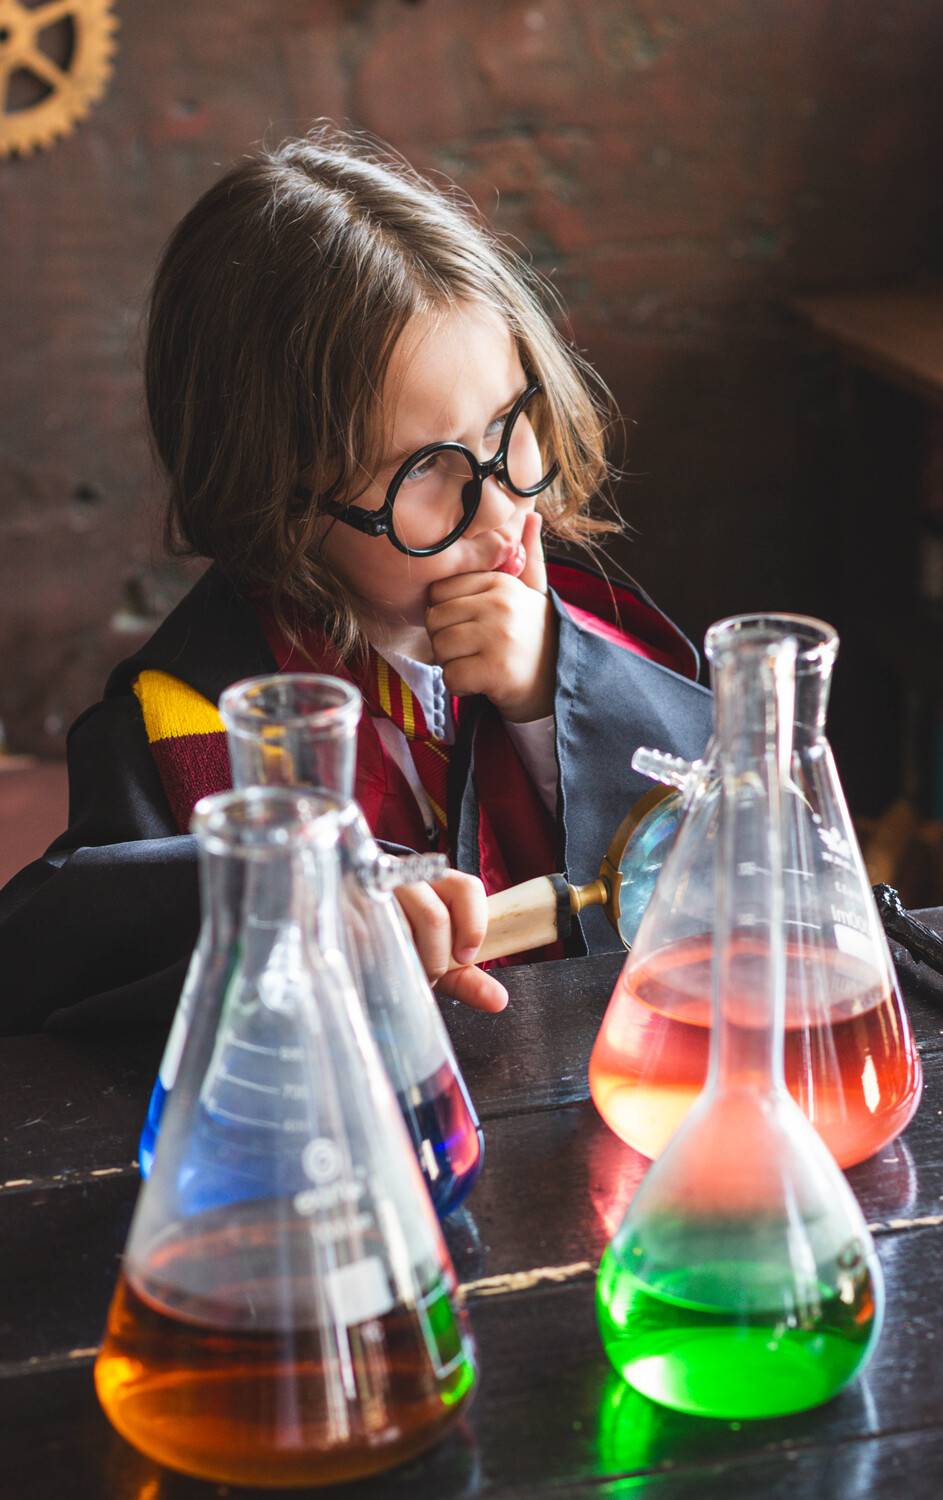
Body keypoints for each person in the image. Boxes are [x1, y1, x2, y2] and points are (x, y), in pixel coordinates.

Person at [0, 129, 712, 1035]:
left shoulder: (572, 627)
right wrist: (287, 900)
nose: (498, 509)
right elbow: (55, 973)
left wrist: (553, 694)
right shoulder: (185, 719)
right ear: (281, 500)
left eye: (509, 425)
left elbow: (727, 846)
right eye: (425, 467)